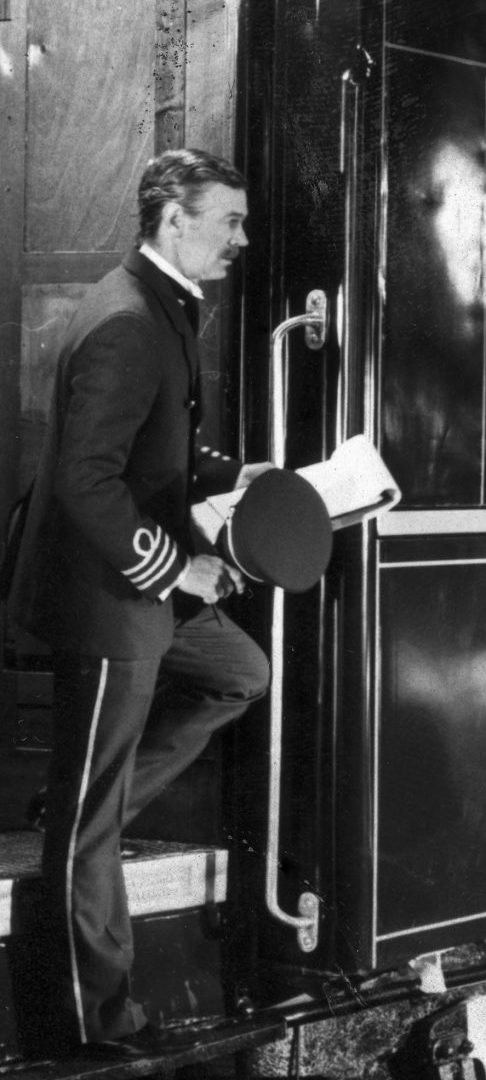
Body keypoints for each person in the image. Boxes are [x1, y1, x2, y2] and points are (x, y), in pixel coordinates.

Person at [7, 149, 270, 1057]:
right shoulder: (129, 320)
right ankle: (95, 1024)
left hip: (136, 589)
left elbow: (155, 453)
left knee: (239, 672)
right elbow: (87, 480)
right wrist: (179, 571)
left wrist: (240, 474)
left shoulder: (158, 308)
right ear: (173, 222)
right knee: (86, 832)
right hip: (112, 596)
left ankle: (89, 805)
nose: (241, 237)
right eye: (228, 220)